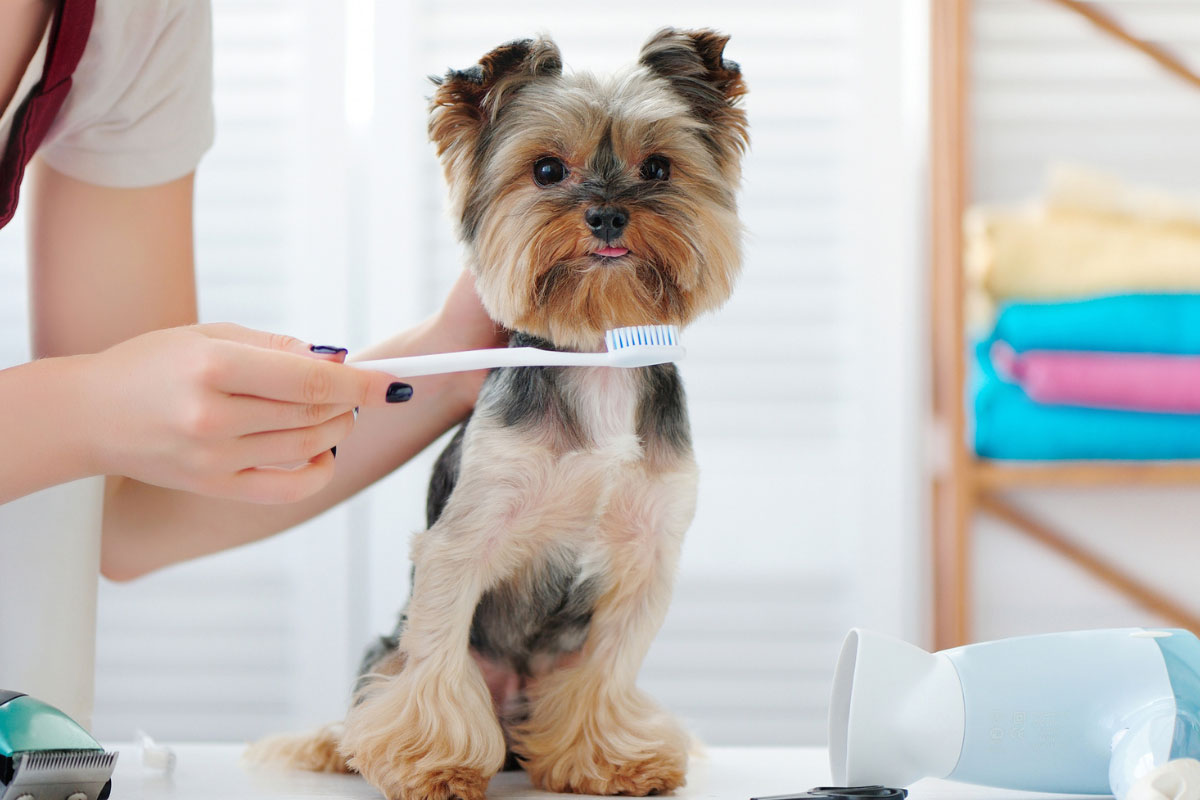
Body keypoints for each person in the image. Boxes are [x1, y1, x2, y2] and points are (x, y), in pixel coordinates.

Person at [0, 0, 504, 581]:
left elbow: (125, 514)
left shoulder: (142, 17)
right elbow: (96, 441)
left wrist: (451, 364)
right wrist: (83, 409)